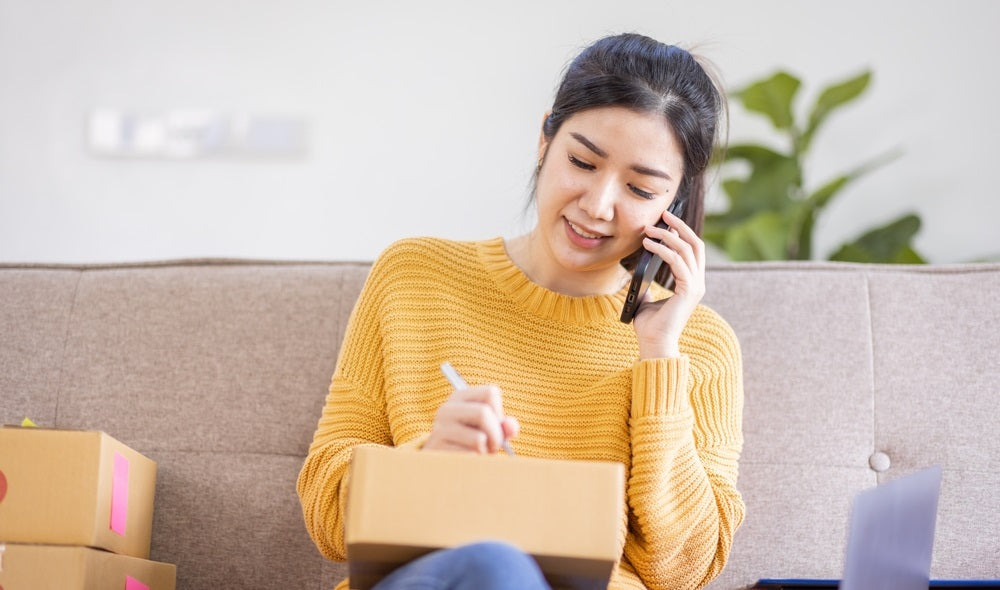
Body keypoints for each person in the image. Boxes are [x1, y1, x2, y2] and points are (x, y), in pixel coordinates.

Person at [297, 32, 745, 590]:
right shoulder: (414, 276)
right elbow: (324, 516)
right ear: (544, 141)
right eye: (582, 162)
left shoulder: (696, 343)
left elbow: (684, 572)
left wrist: (659, 357)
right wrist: (426, 463)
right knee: (494, 567)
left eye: (639, 188)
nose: (597, 205)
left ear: (672, 205)